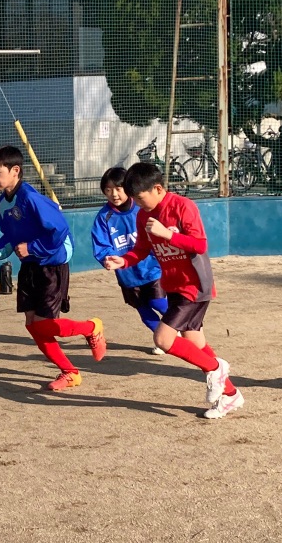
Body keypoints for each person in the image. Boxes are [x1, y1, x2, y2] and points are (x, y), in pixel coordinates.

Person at [104, 162, 244, 419]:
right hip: (174, 286)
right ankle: (231, 395)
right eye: (134, 199)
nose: (138, 203)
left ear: (158, 188)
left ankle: (217, 368)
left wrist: (167, 235)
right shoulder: (142, 215)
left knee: (163, 339)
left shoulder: (182, 206)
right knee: (195, 344)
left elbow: (199, 245)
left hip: (194, 286)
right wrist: (123, 260)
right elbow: (143, 249)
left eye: (141, 197)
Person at [0, 145, 106, 391]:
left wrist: (33, 248)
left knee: (44, 325)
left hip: (52, 265)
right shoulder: (3, 202)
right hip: (30, 266)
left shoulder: (31, 198)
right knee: (31, 324)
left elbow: (60, 230)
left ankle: (91, 327)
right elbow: (9, 238)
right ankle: (70, 372)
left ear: (15, 171)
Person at [91, 167, 168, 355]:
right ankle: (164, 339)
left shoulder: (142, 210)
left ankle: (181, 327)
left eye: (118, 188)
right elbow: (101, 245)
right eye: (108, 190)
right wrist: (107, 259)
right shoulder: (103, 217)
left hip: (151, 270)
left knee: (159, 303)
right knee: (143, 310)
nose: (114, 194)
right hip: (128, 276)